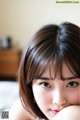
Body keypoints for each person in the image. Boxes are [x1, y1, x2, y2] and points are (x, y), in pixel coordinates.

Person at [10, 22, 80, 120]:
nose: (58, 100)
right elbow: (4, 114)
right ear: (29, 85)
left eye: (72, 84)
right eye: (45, 84)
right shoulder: (24, 108)